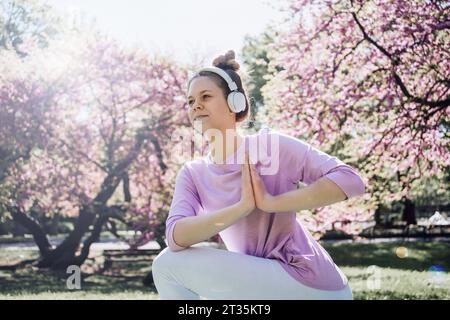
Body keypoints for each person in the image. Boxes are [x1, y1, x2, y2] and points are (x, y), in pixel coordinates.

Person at [151, 50, 366, 300]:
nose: (195, 105)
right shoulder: (193, 173)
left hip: (311, 283)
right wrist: (242, 208)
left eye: (206, 96)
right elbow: (176, 236)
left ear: (235, 103)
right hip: (265, 284)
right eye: (190, 101)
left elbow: (350, 179)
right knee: (170, 260)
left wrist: (272, 203)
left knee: (166, 267)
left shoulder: (269, 147)